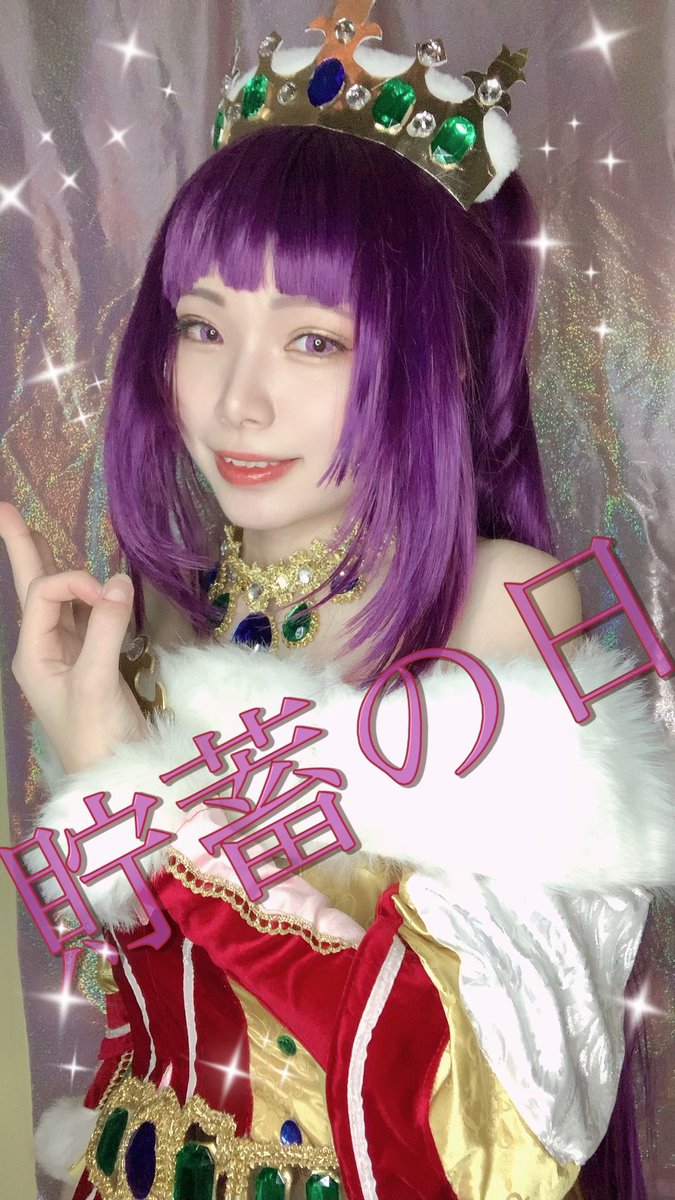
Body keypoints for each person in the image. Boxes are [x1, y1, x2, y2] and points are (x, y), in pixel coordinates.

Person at [0, 18, 672, 1200]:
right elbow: (155, 1021)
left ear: (443, 357)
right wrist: (90, 757)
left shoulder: (506, 602)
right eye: (203, 326)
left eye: (314, 340)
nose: (238, 401)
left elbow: (461, 1108)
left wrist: (122, 786)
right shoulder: (166, 618)